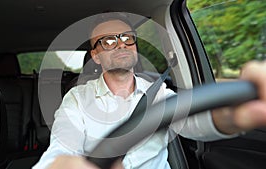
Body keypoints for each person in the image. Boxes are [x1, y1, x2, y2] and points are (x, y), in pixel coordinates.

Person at [33, 13, 266, 169]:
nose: (122, 44)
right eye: (109, 41)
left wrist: (231, 114)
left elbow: (193, 122)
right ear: (96, 56)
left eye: (127, 38)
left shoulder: (159, 93)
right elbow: (61, 148)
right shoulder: (77, 98)